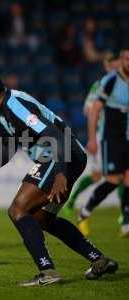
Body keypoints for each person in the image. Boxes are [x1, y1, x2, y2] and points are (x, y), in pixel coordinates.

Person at [0, 68, 118, 286]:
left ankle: (47, 271)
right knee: (43, 219)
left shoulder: (15, 105)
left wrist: (60, 173)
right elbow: (10, 143)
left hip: (61, 155)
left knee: (17, 210)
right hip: (66, 156)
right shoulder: (0, 110)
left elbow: (54, 135)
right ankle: (99, 259)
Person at [62, 52, 122, 219]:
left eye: (116, 63)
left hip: (122, 135)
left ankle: (125, 217)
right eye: (111, 64)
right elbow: (88, 109)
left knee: (123, 174)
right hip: (105, 135)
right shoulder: (101, 85)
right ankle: (74, 201)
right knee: (98, 176)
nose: (114, 67)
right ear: (107, 65)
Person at [78, 48, 129, 237]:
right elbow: (91, 110)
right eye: (125, 59)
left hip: (127, 137)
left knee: (127, 179)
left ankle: (126, 222)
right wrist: (92, 139)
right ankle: (84, 211)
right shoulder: (108, 82)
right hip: (110, 138)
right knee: (110, 179)